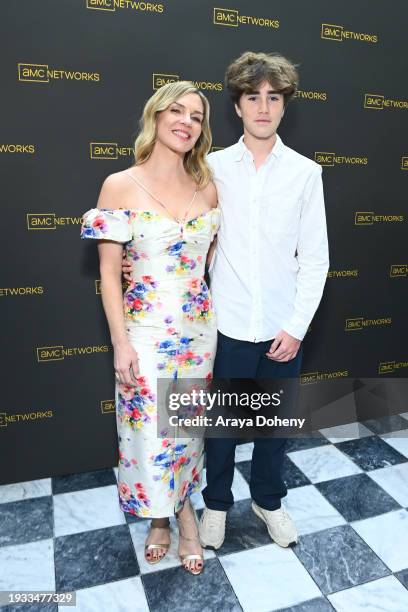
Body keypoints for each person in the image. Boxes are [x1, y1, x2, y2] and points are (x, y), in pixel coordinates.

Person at [81, 81, 219, 575]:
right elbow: (107, 272)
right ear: (156, 118)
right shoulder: (119, 184)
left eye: (197, 116)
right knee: (149, 436)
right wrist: (120, 344)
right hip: (143, 334)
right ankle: (171, 521)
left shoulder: (207, 184)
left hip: (199, 332)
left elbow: (209, 260)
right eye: (176, 111)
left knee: (183, 430)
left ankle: (174, 517)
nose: (186, 121)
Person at [197, 51, 329, 549]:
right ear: (237, 106)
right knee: (223, 429)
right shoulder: (210, 168)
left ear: (284, 106)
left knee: (275, 429)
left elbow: (315, 259)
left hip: (281, 327)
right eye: (253, 96)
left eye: (273, 97)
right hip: (227, 325)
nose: (263, 106)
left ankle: (269, 503)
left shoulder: (304, 173)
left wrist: (296, 326)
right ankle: (215, 506)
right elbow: (187, 234)